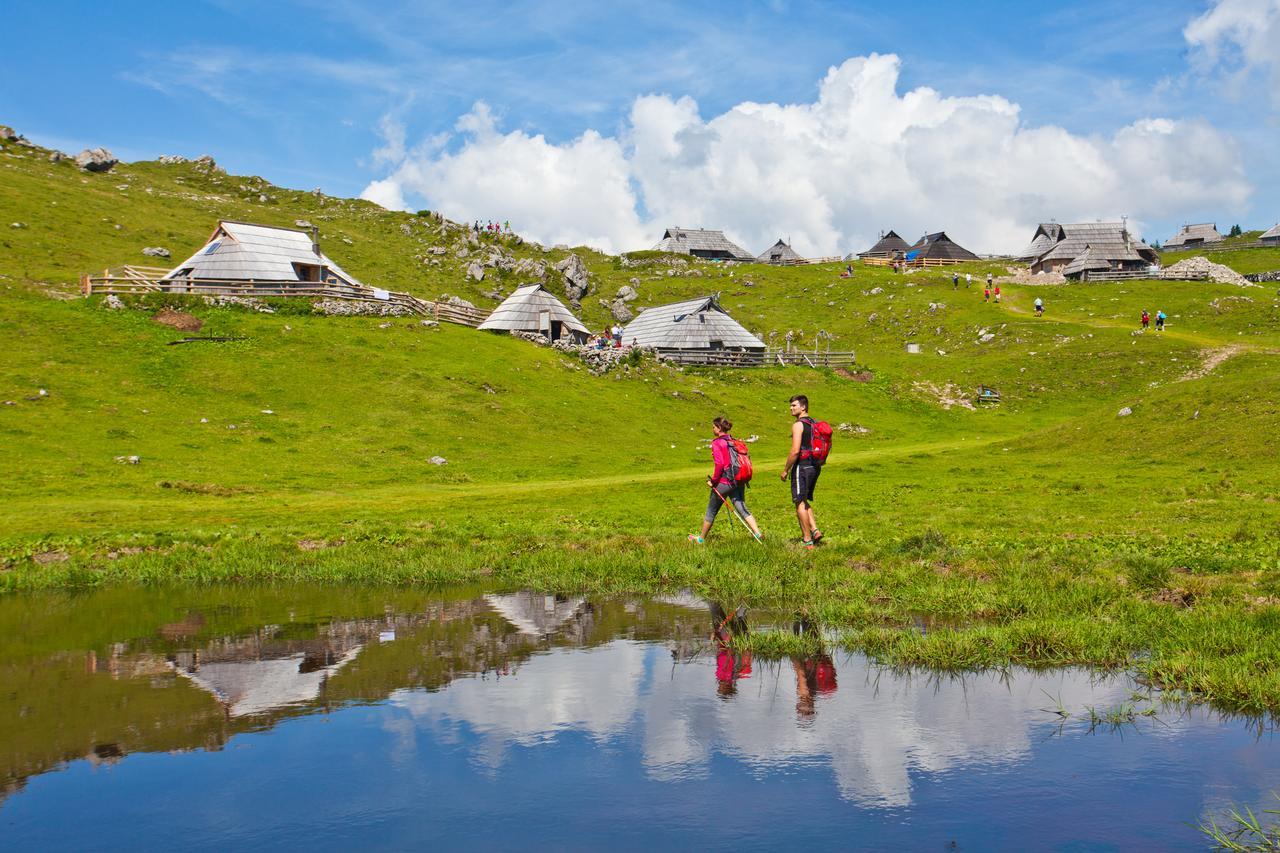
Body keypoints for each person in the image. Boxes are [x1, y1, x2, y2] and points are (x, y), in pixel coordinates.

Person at [689, 416, 762, 543]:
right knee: (741, 506)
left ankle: (701, 539)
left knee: (711, 510)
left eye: (713, 427)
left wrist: (713, 481)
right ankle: (757, 533)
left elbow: (720, 465)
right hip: (738, 480)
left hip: (724, 482)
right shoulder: (732, 441)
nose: (712, 429)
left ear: (718, 428)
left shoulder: (717, 443)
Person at [780, 395, 823, 550]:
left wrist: (786, 470)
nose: (791, 408)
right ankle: (815, 530)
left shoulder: (798, 425)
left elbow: (795, 451)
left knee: (799, 502)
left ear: (803, 407)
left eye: (794, 405)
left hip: (802, 466)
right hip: (814, 466)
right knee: (804, 500)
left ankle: (807, 540)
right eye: (790, 406)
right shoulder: (814, 423)